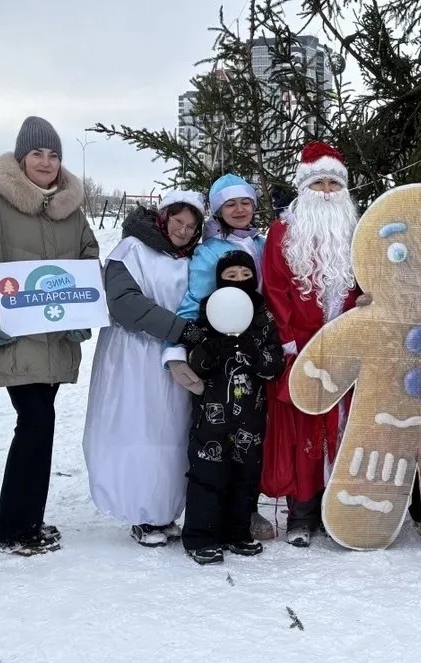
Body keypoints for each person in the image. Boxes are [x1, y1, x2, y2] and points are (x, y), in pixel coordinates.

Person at [0, 116, 100, 556]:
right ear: (21, 158)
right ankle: (13, 529)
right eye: (38, 153)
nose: (47, 162)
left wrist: (83, 310)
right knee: (36, 422)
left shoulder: (70, 208)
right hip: (13, 338)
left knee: (39, 424)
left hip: (54, 339)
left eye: (54, 155)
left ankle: (25, 521)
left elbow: (88, 258)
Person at [82, 192, 205, 547]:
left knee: (172, 433)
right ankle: (140, 513)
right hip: (133, 355)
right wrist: (179, 329)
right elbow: (124, 304)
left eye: (190, 226)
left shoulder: (190, 258)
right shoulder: (132, 250)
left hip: (175, 354)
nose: (182, 231)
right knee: (138, 429)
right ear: (163, 218)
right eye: (177, 222)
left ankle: (164, 511)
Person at [260, 141, 361, 547]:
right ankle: (301, 513)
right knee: (302, 428)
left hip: (347, 345)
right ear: (304, 188)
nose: (326, 191)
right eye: (318, 183)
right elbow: (275, 286)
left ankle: (337, 511)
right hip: (300, 346)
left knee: (343, 427)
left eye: (333, 184)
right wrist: (286, 342)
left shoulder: (357, 232)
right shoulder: (284, 232)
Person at [161, 172, 272, 540]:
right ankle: (204, 524)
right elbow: (193, 302)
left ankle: (242, 517)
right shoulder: (209, 250)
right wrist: (177, 351)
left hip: (256, 356)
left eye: (245, 202)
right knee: (212, 448)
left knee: (249, 447)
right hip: (218, 360)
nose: (239, 209)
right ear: (219, 209)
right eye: (230, 204)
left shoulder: (265, 242)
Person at [181, 251, 284, 564]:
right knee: (207, 475)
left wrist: (254, 352)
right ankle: (201, 537)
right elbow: (194, 364)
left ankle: (237, 532)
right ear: (219, 281)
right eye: (231, 276)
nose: (239, 281)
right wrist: (210, 349)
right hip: (211, 416)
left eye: (244, 275)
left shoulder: (263, 318)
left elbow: (274, 366)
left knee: (245, 476)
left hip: (250, 417)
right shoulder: (208, 313)